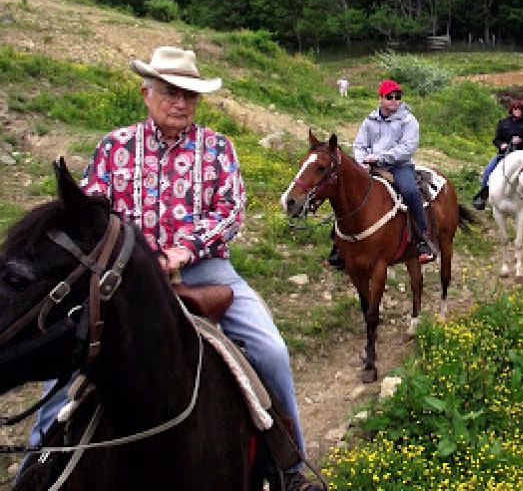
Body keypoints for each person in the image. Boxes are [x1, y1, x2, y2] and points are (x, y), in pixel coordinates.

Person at [26, 47, 321, 491]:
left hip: (205, 271)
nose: (180, 102)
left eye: (188, 94)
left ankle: (289, 464)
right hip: (123, 280)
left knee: (270, 350)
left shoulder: (218, 148)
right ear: (147, 94)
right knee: (67, 354)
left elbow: (231, 209)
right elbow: (91, 215)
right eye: (169, 92)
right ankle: (40, 458)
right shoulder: (115, 147)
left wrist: (185, 249)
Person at [327, 79, 434, 268]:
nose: (394, 100)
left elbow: (407, 148)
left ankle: (422, 240)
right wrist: (362, 162)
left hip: (398, 166)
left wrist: (379, 158)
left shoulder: (409, 120)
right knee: (347, 193)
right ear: (380, 98)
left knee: (410, 192)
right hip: (370, 165)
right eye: (389, 97)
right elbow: (359, 145)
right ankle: (339, 243)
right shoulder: (369, 120)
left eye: (397, 97)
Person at [472, 99, 523, 210]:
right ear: (511, 110)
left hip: (519, 157)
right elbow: (496, 139)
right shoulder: (503, 123)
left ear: (522, 111)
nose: (516, 112)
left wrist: (520, 141)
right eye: (515, 109)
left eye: (519, 110)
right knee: (487, 171)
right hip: (503, 155)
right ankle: (482, 197)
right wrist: (501, 145)